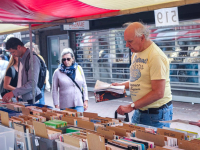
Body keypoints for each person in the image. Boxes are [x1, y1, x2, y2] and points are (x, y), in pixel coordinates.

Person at [112, 22, 172, 128]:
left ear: (142, 38)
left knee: (151, 144)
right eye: (126, 41)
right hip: (140, 110)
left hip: (155, 114)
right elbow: (140, 80)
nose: (126, 45)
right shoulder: (136, 52)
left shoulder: (156, 56)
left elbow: (158, 93)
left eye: (130, 41)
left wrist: (131, 106)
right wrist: (122, 85)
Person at [2, 37, 42, 104]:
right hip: (22, 98)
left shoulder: (32, 59)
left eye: (13, 52)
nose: (12, 55)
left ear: (19, 47)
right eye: (11, 53)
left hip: (31, 100)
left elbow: (32, 83)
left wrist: (14, 92)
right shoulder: (21, 58)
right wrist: (18, 93)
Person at [52, 48, 88, 112]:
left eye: (68, 59)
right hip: (65, 106)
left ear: (73, 58)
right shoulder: (57, 72)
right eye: (64, 59)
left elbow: (84, 85)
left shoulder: (79, 69)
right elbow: (54, 90)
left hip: (79, 104)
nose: (66, 61)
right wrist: (56, 105)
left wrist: (86, 100)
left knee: (80, 121)